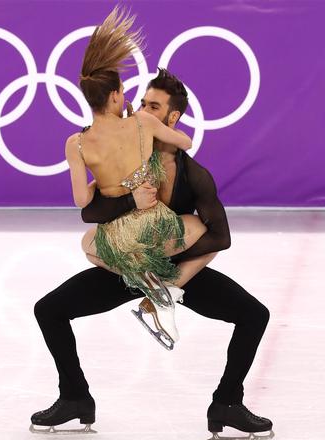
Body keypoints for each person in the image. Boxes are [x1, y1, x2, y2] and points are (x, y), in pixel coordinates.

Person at [30, 68, 274, 440]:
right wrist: (130, 202)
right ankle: (75, 396)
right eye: (141, 101)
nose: (140, 109)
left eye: (152, 106)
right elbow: (90, 211)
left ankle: (227, 403)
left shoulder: (196, 177)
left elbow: (220, 236)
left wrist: (172, 280)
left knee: (254, 315)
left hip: (170, 271)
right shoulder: (124, 154)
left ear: (171, 118)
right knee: (49, 309)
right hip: (127, 270)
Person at [64, 6, 207, 348]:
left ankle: (144, 281)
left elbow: (82, 202)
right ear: (115, 96)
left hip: (117, 235)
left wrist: (105, 182)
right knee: (203, 228)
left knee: (88, 245)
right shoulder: (142, 122)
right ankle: (162, 291)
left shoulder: (77, 143)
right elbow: (185, 141)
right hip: (151, 224)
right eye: (123, 93)